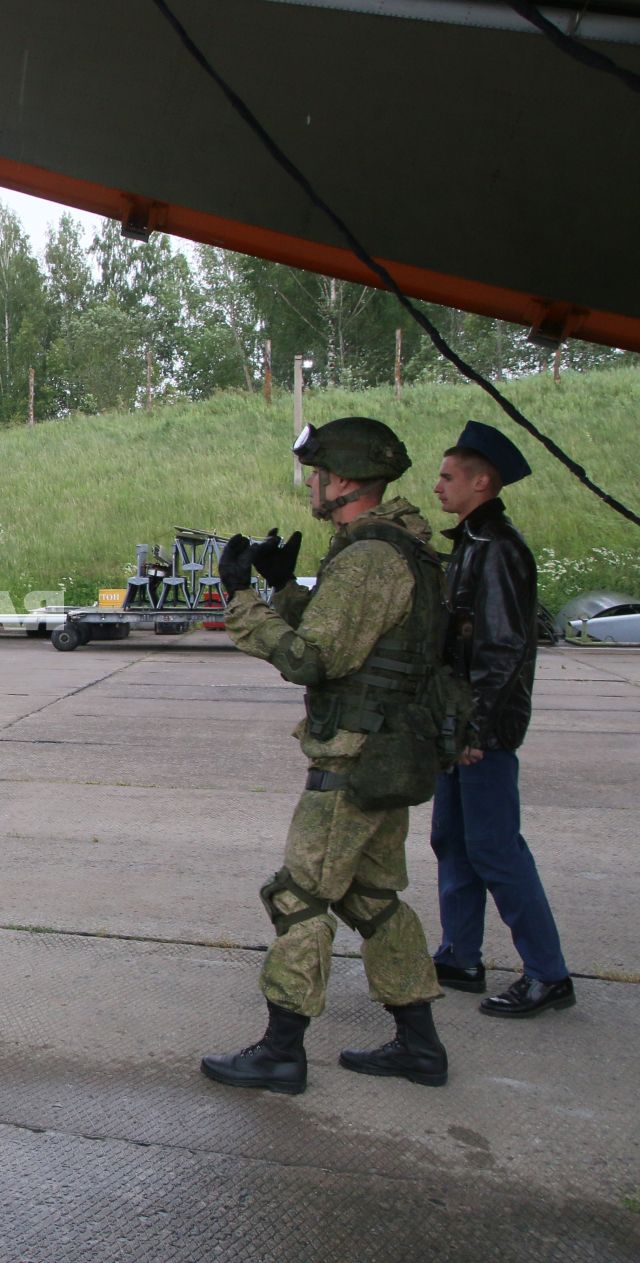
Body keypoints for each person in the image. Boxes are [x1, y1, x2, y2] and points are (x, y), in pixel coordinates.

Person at [200, 417, 447, 1096]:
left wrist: (243, 600)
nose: (311, 485)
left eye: (316, 473)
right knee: (372, 899)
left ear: (340, 480)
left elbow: (314, 658)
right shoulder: (405, 548)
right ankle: (420, 1045)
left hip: (353, 759)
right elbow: (362, 640)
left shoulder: (370, 556)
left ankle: (282, 1052)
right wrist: (288, 590)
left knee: (300, 897)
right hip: (387, 756)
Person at [429, 421, 574, 1018]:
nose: (437, 486)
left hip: (480, 730)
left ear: (481, 482)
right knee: (453, 842)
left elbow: (501, 649)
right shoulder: (472, 544)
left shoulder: (498, 549)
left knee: (495, 849)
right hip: (458, 725)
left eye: (448, 476)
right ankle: (460, 954)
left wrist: (475, 730)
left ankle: (549, 974)